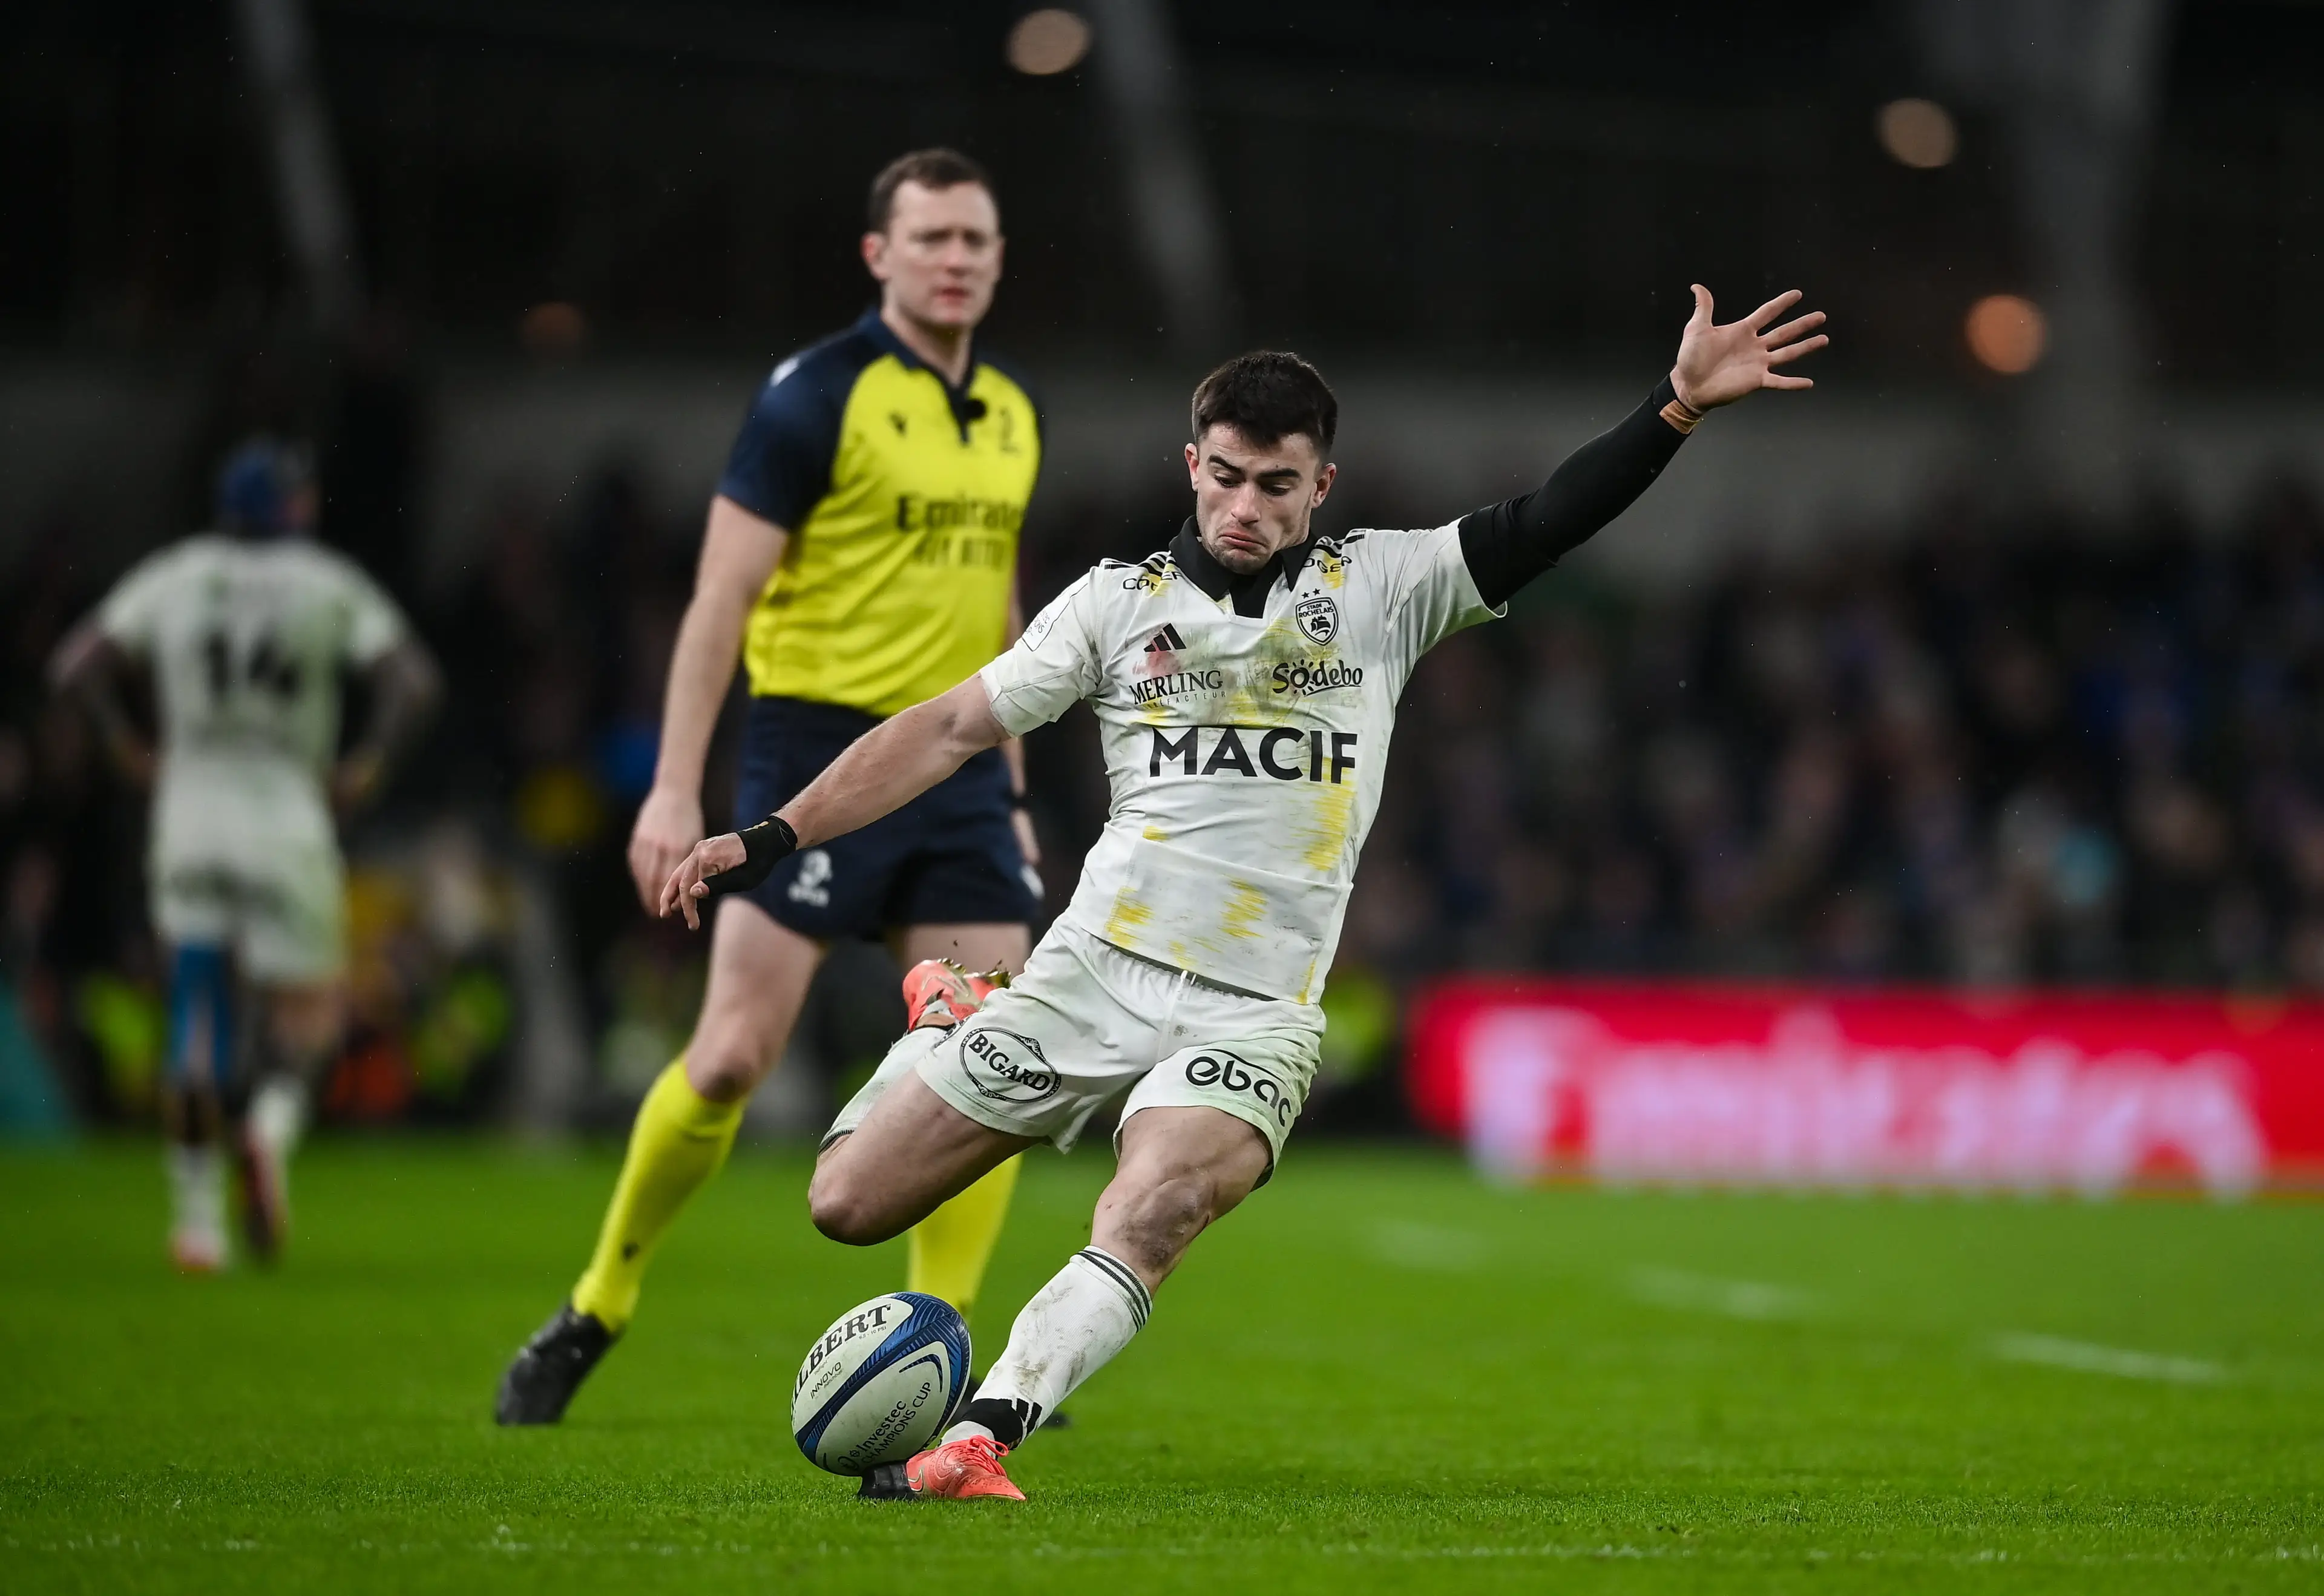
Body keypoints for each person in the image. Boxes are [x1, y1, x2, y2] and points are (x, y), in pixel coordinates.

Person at [658, 284, 1829, 1499]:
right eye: (1225, 476)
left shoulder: (1384, 589)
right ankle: (956, 1019)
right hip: (1085, 977)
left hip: (1254, 1011)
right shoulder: (1116, 606)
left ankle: (982, 1432)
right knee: (845, 1201)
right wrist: (774, 831)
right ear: (1193, 464)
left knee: (1155, 1208)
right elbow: (949, 726)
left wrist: (1677, 404)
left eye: (1277, 485)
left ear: (1321, 486)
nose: (1245, 505)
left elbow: (1546, 521)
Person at [495, 149, 1050, 1434]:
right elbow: (717, 599)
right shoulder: (816, 396)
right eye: (931, 239)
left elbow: (1005, 618)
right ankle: (599, 1301)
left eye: (976, 238)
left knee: (987, 1060)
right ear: (880, 255)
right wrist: (671, 790)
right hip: (816, 753)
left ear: (999, 255)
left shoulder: (1013, 413)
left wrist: (1013, 789)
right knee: (735, 1052)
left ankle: (945, 1346)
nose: (956, 258)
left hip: (959, 766)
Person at [50, 437, 440, 1271]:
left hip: (190, 806)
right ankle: (266, 1128)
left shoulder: (176, 574)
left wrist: (125, 747)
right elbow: (412, 680)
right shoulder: (328, 585)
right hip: (287, 809)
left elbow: (76, 666)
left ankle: (195, 1225)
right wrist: (367, 762)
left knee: (196, 1015)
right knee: (311, 1017)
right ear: (289, 507)